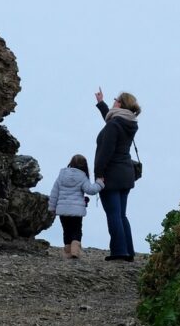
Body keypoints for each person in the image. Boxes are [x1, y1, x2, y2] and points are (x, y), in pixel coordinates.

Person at [94, 87, 141, 260]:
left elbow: (105, 152)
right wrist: (101, 104)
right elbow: (112, 120)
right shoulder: (129, 122)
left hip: (111, 175)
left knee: (113, 214)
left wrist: (99, 174)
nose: (114, 101)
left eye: (116, 99)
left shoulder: (115, 125)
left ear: (120, 103)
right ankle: (128, 251)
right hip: (126, 174)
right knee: (121, 214)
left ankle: (119, 251)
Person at [47, 154, 102, 259]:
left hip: (62, 210)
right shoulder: (82, 177)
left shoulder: (62, 175)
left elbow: (54, 193)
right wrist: (99, 183)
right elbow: (90, 190)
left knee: (66, 230)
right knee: (76, 229)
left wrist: (52, 208)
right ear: (84, 165)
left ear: (71, 163)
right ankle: (75, 251)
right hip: (77, 210)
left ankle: (67, 252)